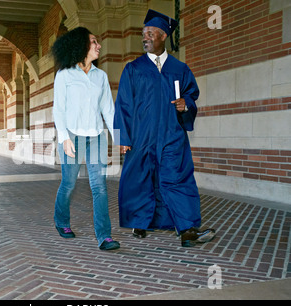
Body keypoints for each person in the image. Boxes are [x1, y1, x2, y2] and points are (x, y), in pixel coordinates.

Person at [114, 10, 216, 247]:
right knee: (141, 179)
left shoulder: (179, 68)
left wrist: (186, 105)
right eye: (144, 33)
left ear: (163, 36)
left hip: (171, 135)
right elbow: (122, 106)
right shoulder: (133, 68)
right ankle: (141, 222)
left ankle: (188, 230)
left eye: (150, 33)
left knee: (177, 178)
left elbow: (192, 95)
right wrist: (122, 137)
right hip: (140, 137)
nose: (145, 37)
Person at [51, 27, 120, 251]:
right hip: (71, 135)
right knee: (69, 183)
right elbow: (58, 110)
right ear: (80, 45)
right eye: (93, 42)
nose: (98, 46)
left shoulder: (101, 76)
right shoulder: (65, 75)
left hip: (96, 136)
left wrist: (118, 137)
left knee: (99, 186)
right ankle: (61, 221)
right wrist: (64, 138)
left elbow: (108, 110)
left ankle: (104, 236)